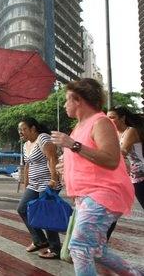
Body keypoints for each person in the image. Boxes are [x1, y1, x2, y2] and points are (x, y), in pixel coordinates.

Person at [50, 78, 139, 276]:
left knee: (80, 247)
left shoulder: (101, 122)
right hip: (86, 196)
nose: (65, 105)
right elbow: (86, 156)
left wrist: (72, 145)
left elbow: (111, 159)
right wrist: (66, 165)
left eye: (67, 100)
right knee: (97, 251)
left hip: (103, 193)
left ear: (78, 100)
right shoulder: (79, 127)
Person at [17, 117, 62, 259]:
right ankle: (40, 241)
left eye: (23, 129)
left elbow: (52, 158)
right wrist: (26, 184)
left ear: (33, 129)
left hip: (47, 183)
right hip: (34, 185)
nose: (21, 132)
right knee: (22, 209)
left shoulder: (43, 138)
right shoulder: (25, 145)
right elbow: (28, 165)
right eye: (20, 130)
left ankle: (55, 248)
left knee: (46, 214)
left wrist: (54, 179)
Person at [107, 106, 144, 209]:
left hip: (140, 173)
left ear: (122, 118)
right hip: (132, 175)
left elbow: (122, 151)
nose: (109, 121)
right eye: (107, 118)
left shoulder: (130, 131)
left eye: (112, 117)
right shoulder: (115, 133)